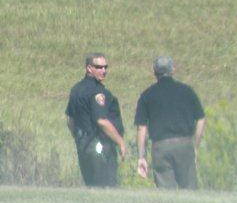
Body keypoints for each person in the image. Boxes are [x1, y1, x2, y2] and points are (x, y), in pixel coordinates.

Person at [134, 56, 205, 189]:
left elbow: (141, 128)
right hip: (184, 146)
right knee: (189, 191)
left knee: (166, 193)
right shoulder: (187, 91)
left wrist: (141, 157)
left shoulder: (147, 95)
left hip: (161, 148)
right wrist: (195, 146)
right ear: (173, 70)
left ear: (154, 71)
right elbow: (201, 119)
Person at [65, 52, 126, 187]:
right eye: (98, 67)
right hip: (100, 145)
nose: (103, 70)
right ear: (89, 68)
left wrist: (79, 138)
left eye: (105, 67)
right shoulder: (98, 92)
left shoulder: (76, 89)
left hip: (83, 145)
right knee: (107, 186)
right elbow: (101, 121)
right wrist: (120, 142)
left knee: (91, 185)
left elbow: (70, 120)